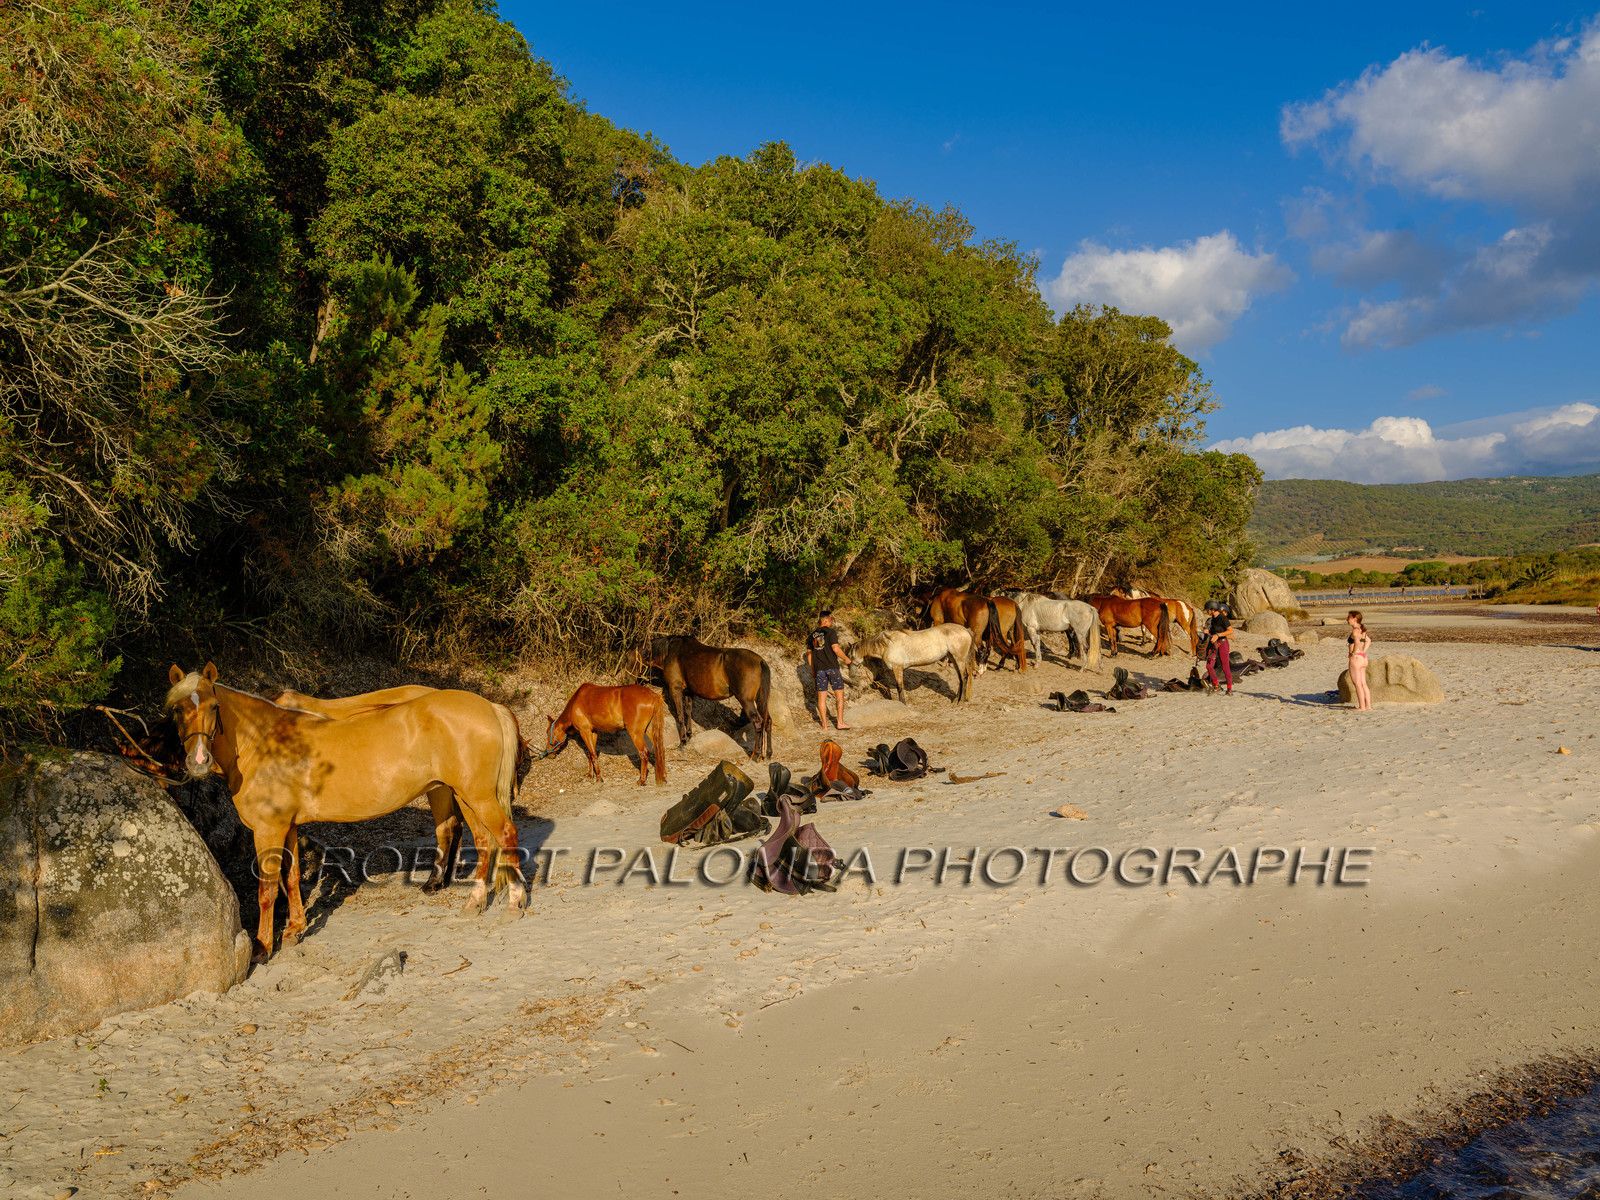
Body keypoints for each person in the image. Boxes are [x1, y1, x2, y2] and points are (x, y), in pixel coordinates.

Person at [806, 610, 852, 731]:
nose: (833, 621)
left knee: (821, 698)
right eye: (831, 618)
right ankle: (840, 723)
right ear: (825, 619)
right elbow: (835, 649)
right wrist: (846, 658)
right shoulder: (831, 632)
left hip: (819, 670)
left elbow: (809, 655)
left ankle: (825, 725)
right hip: (832, 668)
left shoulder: (812, 635)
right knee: (839, 695)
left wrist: (812, 669)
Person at [1202, 600, 1233, 695]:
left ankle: (1229, 689)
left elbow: (1230, 631)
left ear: (1212, 609)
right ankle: (1216, 685)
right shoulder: (1211, 619)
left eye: (1208, 610)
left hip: (1223, 643)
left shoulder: (1222, 618)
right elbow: (1211, 630)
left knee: (1225, 667)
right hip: (1213, 643)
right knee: (1209, 666)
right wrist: (1207, 632)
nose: (1207, 611)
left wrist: (1218, 635)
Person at [1346, 609, 1372, 711]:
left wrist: (1352, 653)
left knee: (1357, 684)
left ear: (1354, 619)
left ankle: (1362, 706)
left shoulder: (1355, 631)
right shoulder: (1362, 629)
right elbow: (1368, 640)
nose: (1347, 620)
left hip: (1356, 658)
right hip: (1363, 658)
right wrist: (1363, 652)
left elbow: (1356, 642)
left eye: (1349, 618)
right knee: (1363, 683)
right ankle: (1368, 706)